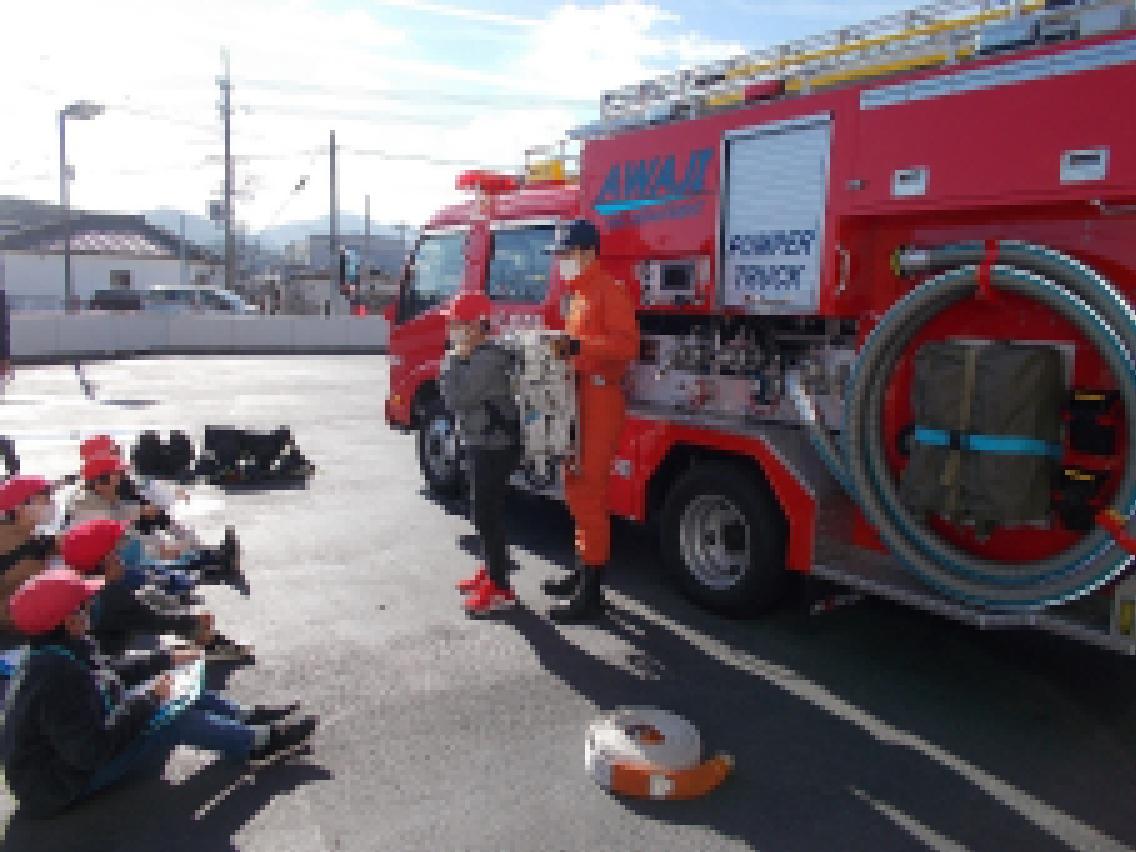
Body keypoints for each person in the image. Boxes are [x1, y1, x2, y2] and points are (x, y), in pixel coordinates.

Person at [0, 567, 317, 818]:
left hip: (73, 753)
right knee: (171, 721)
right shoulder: (54, 678)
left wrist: (167, 659)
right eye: (84, 605)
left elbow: (110, 673)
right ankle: (257, 743)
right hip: (56, 785)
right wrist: (149, 701)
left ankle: (245, 718)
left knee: (178, 689)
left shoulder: (60, 648)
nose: (91, 607)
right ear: (69, 620)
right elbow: (90, 752)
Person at [543, 219, 638, 622]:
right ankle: (583, 571)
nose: (560, 262)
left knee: (590, 493)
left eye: (565, 254)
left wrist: (577, 344)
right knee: (575, 488)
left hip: (598, 400)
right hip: (579, 398)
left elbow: (626, 345)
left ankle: (591, 594)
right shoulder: (580, 294)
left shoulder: (608, 291)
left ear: (586, 253)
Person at [60, 519, 251, 662]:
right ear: (103, 562)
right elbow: (154, 620)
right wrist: (194, 621)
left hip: (103, 659)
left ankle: (207, 640)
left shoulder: (88, 587)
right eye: (116, 553)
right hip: (109, 669)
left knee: (150, 591)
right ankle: (208, 642)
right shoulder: (109, 596)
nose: (122, 557)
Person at [439, 292, 522, 616]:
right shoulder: (476, 355)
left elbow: (456, 398)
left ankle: (501, 588)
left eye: (456, 323)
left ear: (475, 326)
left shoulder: (487, 360)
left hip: (493, 445)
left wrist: (451, 360)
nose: (451, 329)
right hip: (484, 441)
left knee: (486, 513)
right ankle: (492, 570)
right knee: (484, 511)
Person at [0, 475, 58, 630]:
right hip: (11, 628)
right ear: (19, 507)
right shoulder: (8, 540)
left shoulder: (33, 537)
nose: (50, 504)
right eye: (45, 499)